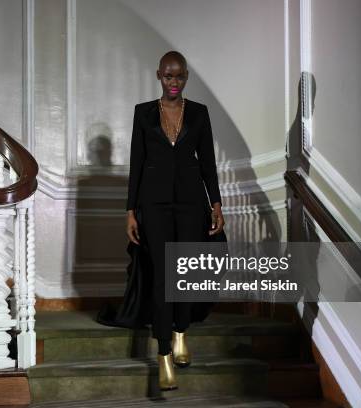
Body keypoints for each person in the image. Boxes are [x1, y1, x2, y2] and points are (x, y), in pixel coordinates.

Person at [125, 50, 225, 391]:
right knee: (163, 278)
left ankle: (182, 332)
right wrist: (129, 211)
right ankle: (164, 352)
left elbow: (208, 162)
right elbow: (136, 164)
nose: (173, 82)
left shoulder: (199, 113)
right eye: (168, 76)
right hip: (152, 206)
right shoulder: (143, 113)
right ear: (158, 75)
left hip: (191, 204)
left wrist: (216, 203)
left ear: (186, 77)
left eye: (179, 76)